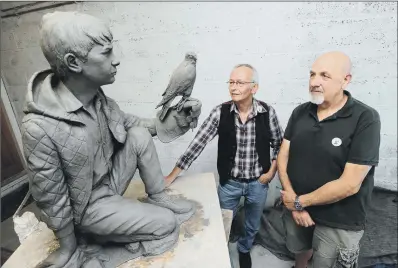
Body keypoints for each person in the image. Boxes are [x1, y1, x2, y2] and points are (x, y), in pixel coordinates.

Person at [21, 11, 202, 268]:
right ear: (74, 62)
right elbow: (51, 196)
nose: (116, 60)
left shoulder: (99, 100)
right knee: (167, 225)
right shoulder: (40, 126)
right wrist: (68, 247)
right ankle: (105, 251)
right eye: (106, 53)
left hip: (110, 185)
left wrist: (177, 119)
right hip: (87, 208)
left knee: (137, 135)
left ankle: (157, 196)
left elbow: (136, 126)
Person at [166, 64, 284, 268]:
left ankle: (244, 249)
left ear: (254, 88)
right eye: (231, 82)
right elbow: (198, 143)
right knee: (221, 223)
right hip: (230, 183)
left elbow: (279, 144)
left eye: (239, 82)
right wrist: (173, 174)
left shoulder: (267, 112)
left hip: (258, 182)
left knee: (252, 224)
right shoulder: (220, 112)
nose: (233, 87)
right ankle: (219, 255)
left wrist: (271, 172)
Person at [277, 51, 381, 268]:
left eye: (324, 76)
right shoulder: (300, 112)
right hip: (297, 206)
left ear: (346, 79)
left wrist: (299, 202)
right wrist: (294, 202)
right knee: (300, 251)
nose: (314, 82)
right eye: (312, 74)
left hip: (339, 218)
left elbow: (350, 184)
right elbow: (283, 156)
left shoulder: (365, 118)